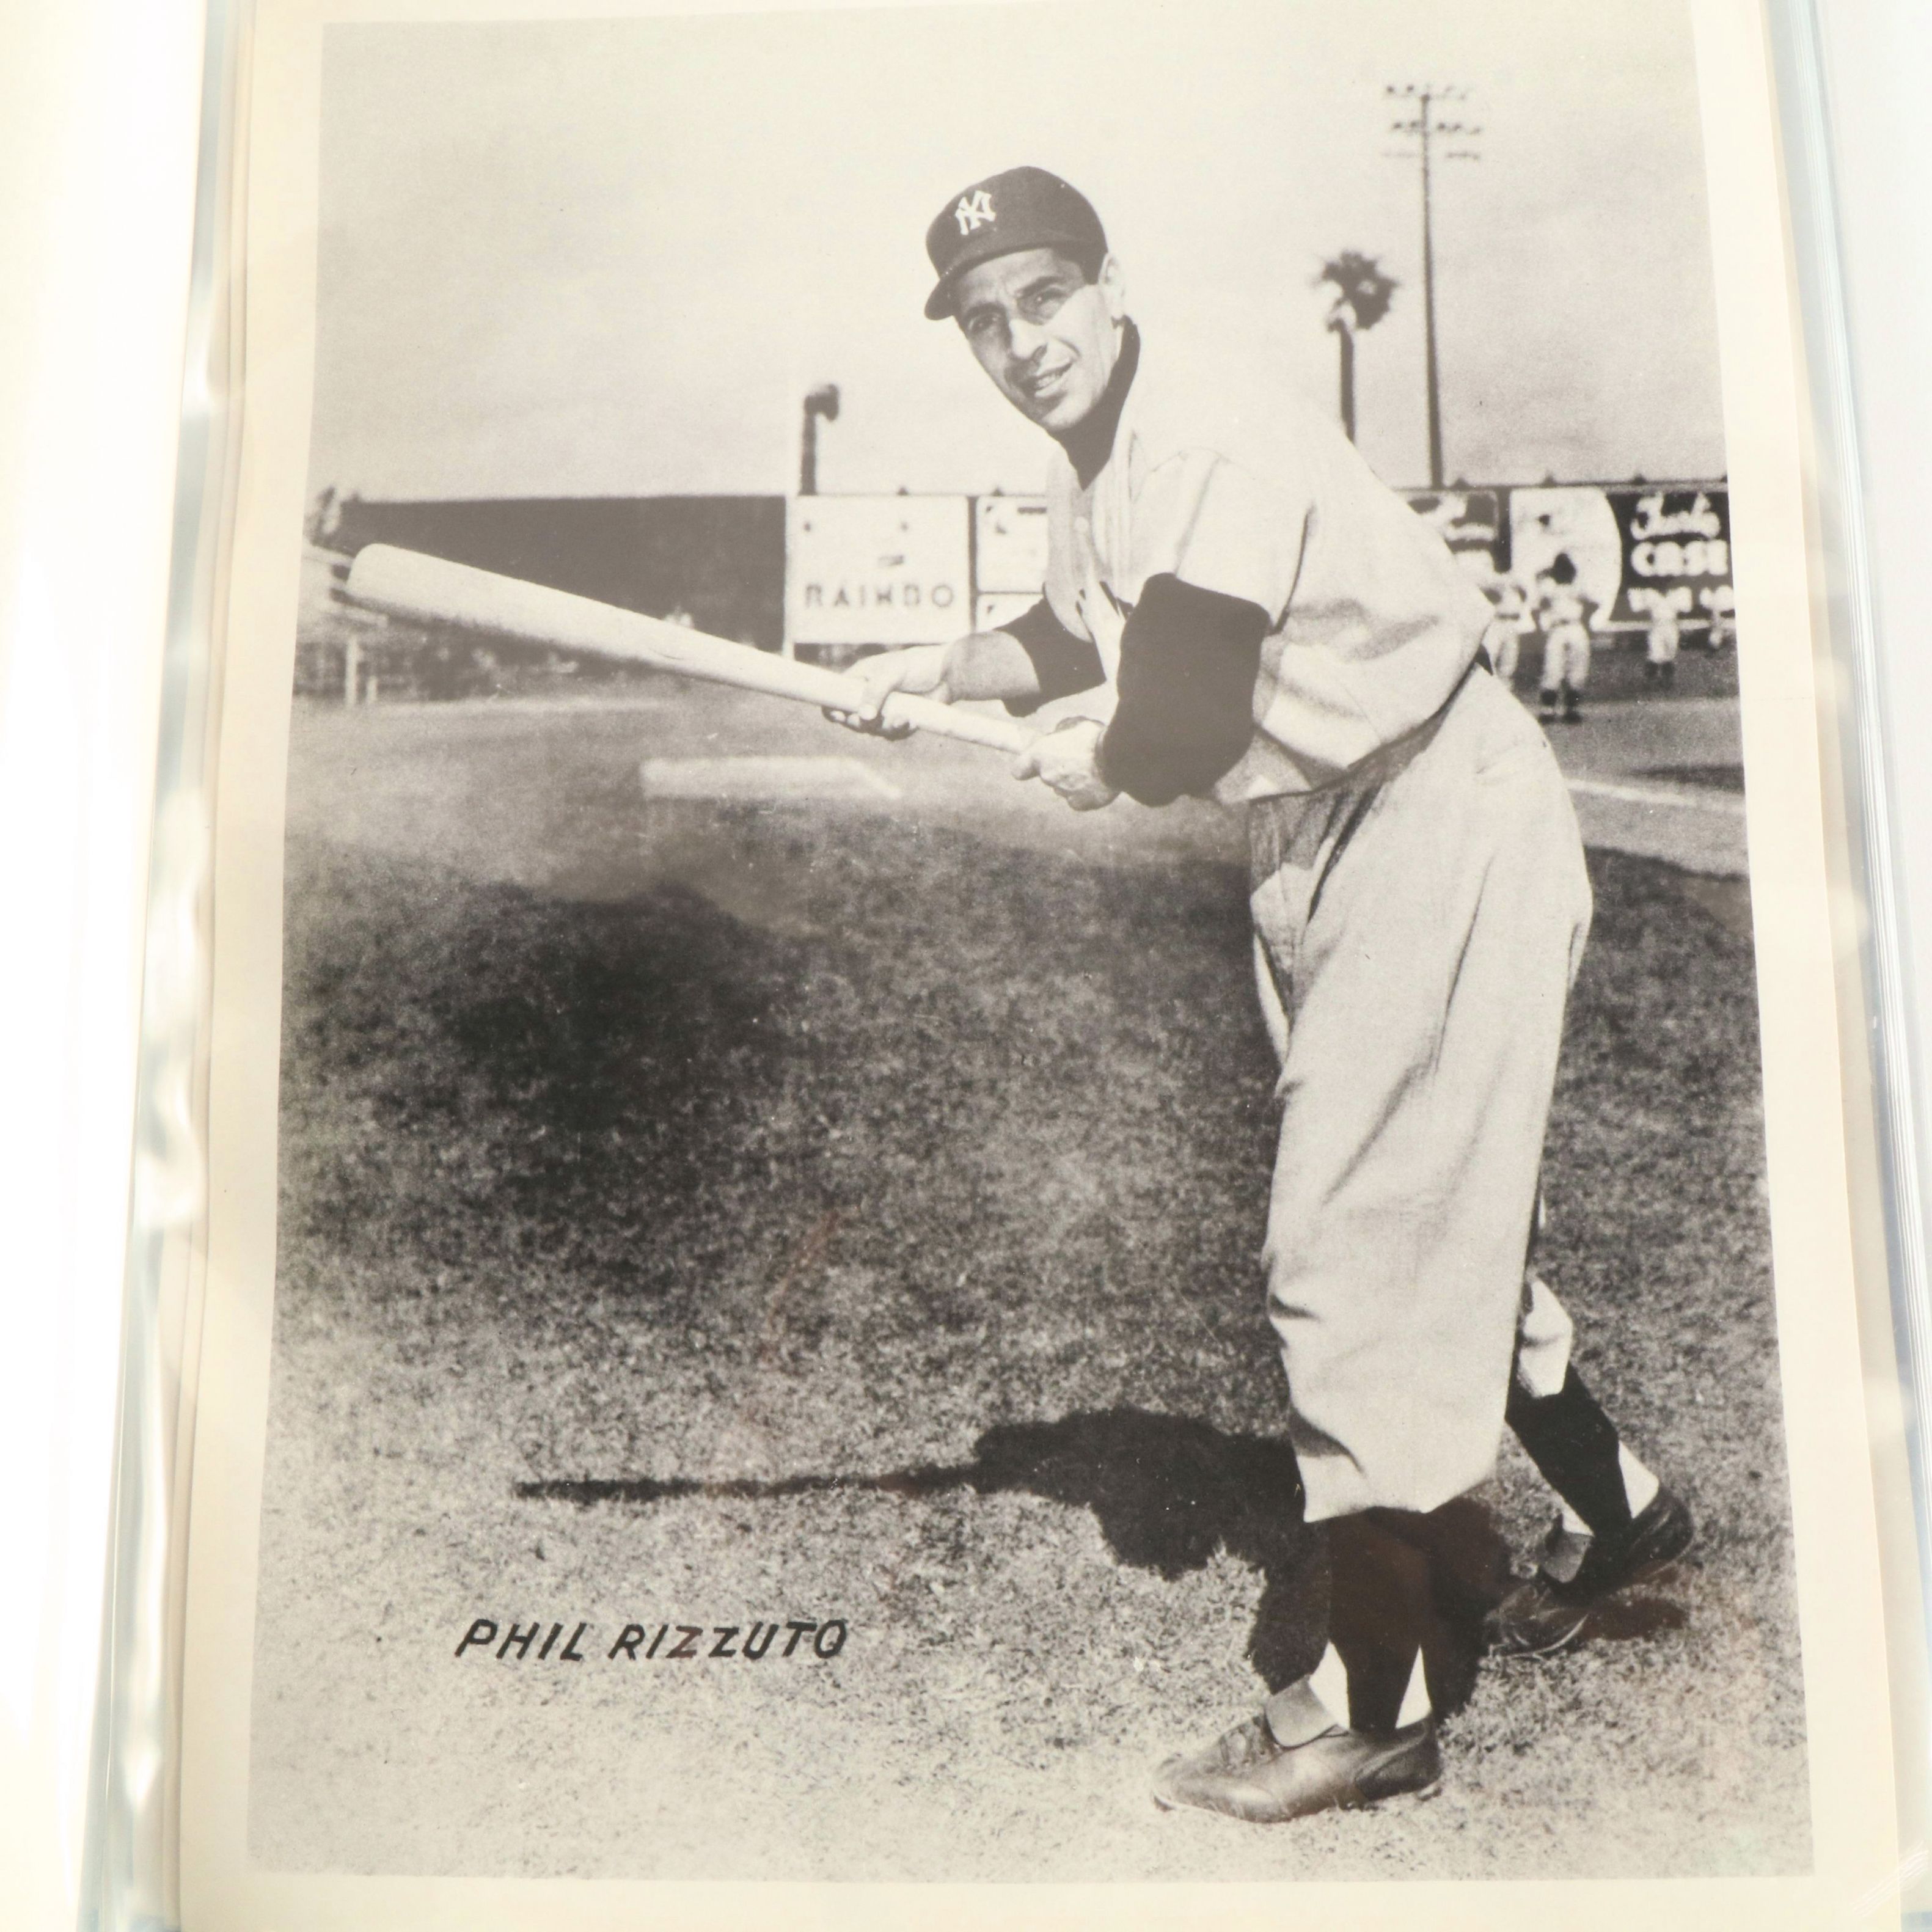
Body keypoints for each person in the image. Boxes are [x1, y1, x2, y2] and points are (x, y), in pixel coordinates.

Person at [835, 166, 1692, 1824]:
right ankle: (1620, 1504)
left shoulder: (1207, 425)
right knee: (1433, 1217)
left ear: (1104, 283)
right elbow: (1078, 637)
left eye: (1046, 301)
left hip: (1428, 801)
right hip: (1323, 822)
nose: (1023, 345)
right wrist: (912, 673)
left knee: (1354, 1247)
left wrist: (1102, 769)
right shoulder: (1099, 456)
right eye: (987, 322)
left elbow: (1161, 719)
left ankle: (1374, 1704)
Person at [1535, 554, 1594, 724]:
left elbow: (1593, 602)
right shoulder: (1550, 587)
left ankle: (1572, 709)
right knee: (1553, 668)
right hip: (1558, 628)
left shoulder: (1578, 587)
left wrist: (1586, 620)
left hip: (1575, 626)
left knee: (1577, 669)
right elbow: (1539, 581)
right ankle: (1548, 710)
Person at [1644, 599, 1681, 687]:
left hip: (1671, 626)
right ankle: (1650, 680)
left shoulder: (1675, 595)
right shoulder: (1652, 596)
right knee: (1655, 655)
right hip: (1657, 626)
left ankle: (1668, 681)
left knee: (1669, 655)